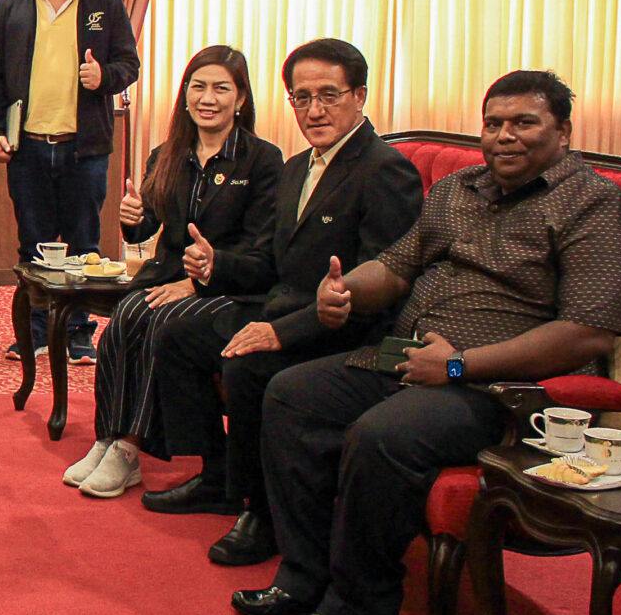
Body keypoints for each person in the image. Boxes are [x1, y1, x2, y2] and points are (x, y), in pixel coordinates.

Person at [236, 71, 621, 615]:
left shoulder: (595, 205)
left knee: (383, 434)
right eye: (494, 123)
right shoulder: (459, 191)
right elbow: (397, 266)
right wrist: (343, 290)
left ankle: (362, 605)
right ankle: (304, 575)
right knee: (290, 394)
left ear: (564, 131)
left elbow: (588, 334)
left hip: (502, 391)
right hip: (408, 360)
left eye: (524, 123)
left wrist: (460, 366)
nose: (505, 136)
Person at [138, 39, 422, 568]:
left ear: (360, 96)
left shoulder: (385, 170)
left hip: (342, 329)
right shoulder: (297, 167)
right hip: (279, 305)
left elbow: (384, 285)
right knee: (177, 331)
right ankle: (217, 473)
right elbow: (269, 262)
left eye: (329, 96)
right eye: (301, 97)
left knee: (248, 366)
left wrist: (283, 331)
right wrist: (216, 266)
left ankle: (260, 510)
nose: (314, 110)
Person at [63, 47, 283, 498]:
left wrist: (201, 278)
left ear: (240, 99)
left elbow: (262, 247)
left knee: (162, 322)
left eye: (221, 88)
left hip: (233, 285)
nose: (208, 98)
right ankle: (107, 437)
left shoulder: (262, 160)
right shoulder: (169, 153)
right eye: (198, 87)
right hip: (168, 276)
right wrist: (131, 214)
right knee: (126, 315)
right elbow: (144, 226)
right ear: (185, 96)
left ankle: (130, 447)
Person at [0, 0, 139, 362]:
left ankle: (78, 333)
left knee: (83, 241)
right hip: (27, 147)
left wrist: (103, 76)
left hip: (84, 147)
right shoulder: (9, 9)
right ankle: (33, 332)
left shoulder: (104, 5)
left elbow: (129, 64)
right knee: (33, 243)